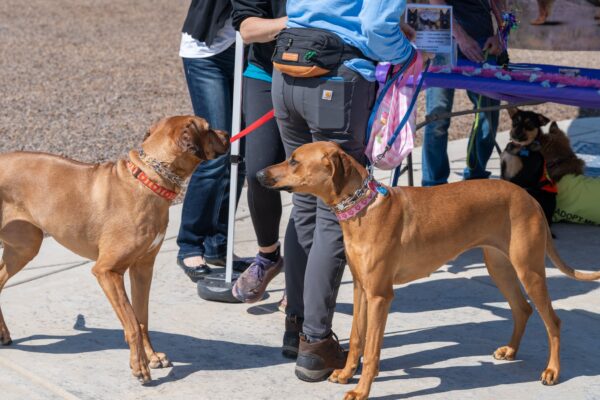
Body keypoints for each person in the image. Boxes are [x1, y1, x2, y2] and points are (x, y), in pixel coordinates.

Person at [271, 0, 415, 382]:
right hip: (337, 77)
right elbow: (375, 26)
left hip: (287, 70)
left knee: (304, 201)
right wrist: (408, 52)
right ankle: (315, 344)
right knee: (338, 212)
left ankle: (295, 326)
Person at [176, 0, 249, 282]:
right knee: (215, 154)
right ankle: (190, 245)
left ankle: (218, 244)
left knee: (239, 154)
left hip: (248, 50)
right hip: (207, 53)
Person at [229, 0, 288, 304]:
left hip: (322, 75)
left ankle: (306, 276)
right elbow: (249, 29)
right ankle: (268, 256)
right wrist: (297, 23)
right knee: (259, 171)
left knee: (311, 181)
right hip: (265, 72)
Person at [421, 0, 503, 187]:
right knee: (437, 117)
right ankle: (434, 184)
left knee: (488, 113)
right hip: (440, 33)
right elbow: (435, 2)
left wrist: (501, 34)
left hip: (482, 36)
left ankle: (476, 176)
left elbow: (501, 3)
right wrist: (461, 37)